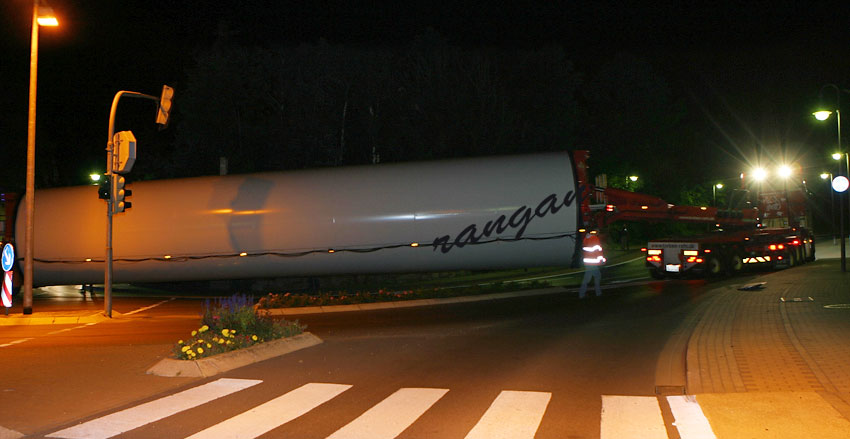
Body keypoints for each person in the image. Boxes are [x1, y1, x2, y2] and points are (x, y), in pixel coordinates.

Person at [579, 229, 606, 298]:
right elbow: (598, 251)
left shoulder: (586, 239)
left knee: (589, 277)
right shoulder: (595, 238)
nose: (599, 233)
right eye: (598, 231)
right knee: (594, 277)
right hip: (593, 262)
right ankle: (596, 293)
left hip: (587, 262)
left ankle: (583, 293)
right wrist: (602, 260)